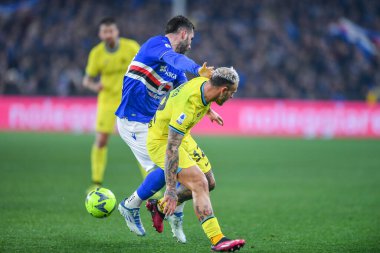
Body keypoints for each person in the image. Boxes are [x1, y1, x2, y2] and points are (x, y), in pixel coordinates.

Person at [115, 15, 221, 243]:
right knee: (168, 170)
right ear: (183, 34)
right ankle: (130, 205)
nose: (191, 43)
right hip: (133, 120)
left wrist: (208, 107)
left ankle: (169, 213)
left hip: (153, 123)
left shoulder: (173, 69)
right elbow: (176, 60)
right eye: (191, 38)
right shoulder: (157, 45)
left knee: (182, 171)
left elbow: (187, 88)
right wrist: (197, 68)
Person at [146, 67, 245, 252]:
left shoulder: (206, 83)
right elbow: (171, 149)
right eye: (232, 92)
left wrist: (208, 111)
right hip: (162, 141)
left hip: (182, 135)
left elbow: (206, 78)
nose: (232, 97)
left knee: (210, 182)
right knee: (200, 183)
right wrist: (170, 190)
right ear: (223, 90)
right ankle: (217, 239)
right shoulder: (188, 106)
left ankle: (158, 207)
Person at [83, 17, 140, 192]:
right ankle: (96, 182)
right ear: (100, 34)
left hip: (130, 100)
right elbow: (87, 80)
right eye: (105, 31)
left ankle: (152, 183)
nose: (108, 35)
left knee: (140, 140)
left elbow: (145, 67)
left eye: (111, 31)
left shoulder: (131, 47)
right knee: (101, 140)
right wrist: (95, 86)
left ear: (117, 32)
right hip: (107, 101)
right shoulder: (96, 53)